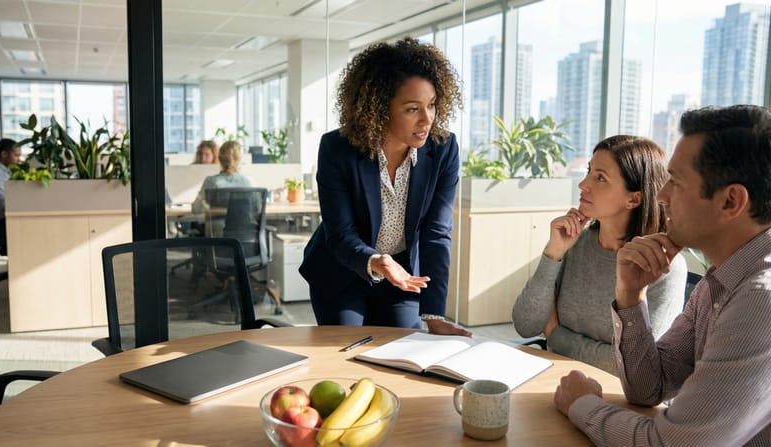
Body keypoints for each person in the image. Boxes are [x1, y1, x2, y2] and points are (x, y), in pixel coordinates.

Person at [554, 105, 771, 446]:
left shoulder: (761, 300)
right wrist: (630, 295)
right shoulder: (720, 280)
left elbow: (669, 443)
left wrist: (582, 404)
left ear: (731, 201)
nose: (662, 196)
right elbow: (649, 388)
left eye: (677, 182)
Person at [298, 37, 470, 336]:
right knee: (345, 347)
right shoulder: (337, 148)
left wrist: (434, 313)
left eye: (431, 105)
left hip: (400, 275)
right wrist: (376, 260)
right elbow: (340, 235)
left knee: (403, 346)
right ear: (380, 108)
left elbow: (436, 233)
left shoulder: (443, 149)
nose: (427, 119)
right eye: (412, 109)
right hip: (342, 271)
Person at [512, 135, 686, 374]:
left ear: (633, 199)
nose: (583, 184)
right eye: (588, 171)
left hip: (616, 399)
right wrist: (553, 253)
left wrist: (556, 335)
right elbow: (525, 324)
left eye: (600, 177)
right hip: (553, 380)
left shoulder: (664, 265)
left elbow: (635, 368)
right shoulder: (574, 243)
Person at [191, 140, 253, 213]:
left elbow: (197, 209)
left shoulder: (212, 181)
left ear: (219, 158)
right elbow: (257, 207)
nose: (203, 158)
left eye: (207, 155)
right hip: (245, 224)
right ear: (239, 159)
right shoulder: (249, 182)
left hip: (218, 224)